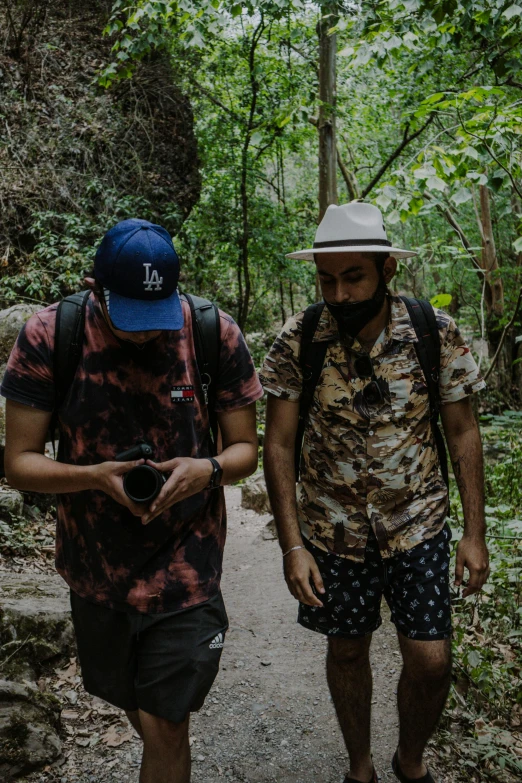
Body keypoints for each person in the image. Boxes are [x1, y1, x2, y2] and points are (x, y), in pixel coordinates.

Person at [2, 218, 263, 783]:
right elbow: (19, 463)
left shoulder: (212, 333)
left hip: (187, 566)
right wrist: (96, 477)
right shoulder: (52, 335)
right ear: (98, 288)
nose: (146, 334)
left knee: (167, 722)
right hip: (95, 566)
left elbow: (246, 449)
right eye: (132, 320)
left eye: (156, 318)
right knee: (137, 706)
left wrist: (207, 469)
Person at [260, 202, 489, 783]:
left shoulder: (433, 333)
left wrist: (473, 533)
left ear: (387, 270)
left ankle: (409, 761)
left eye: (354, 276)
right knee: (346, 651)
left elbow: (462, 431)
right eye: (327, 279)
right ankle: (359, 766)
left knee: (431, 661)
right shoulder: (300, 338)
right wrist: (293, 546)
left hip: (418, 522)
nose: (339, 293)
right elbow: (280, 445)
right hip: (333, 529)